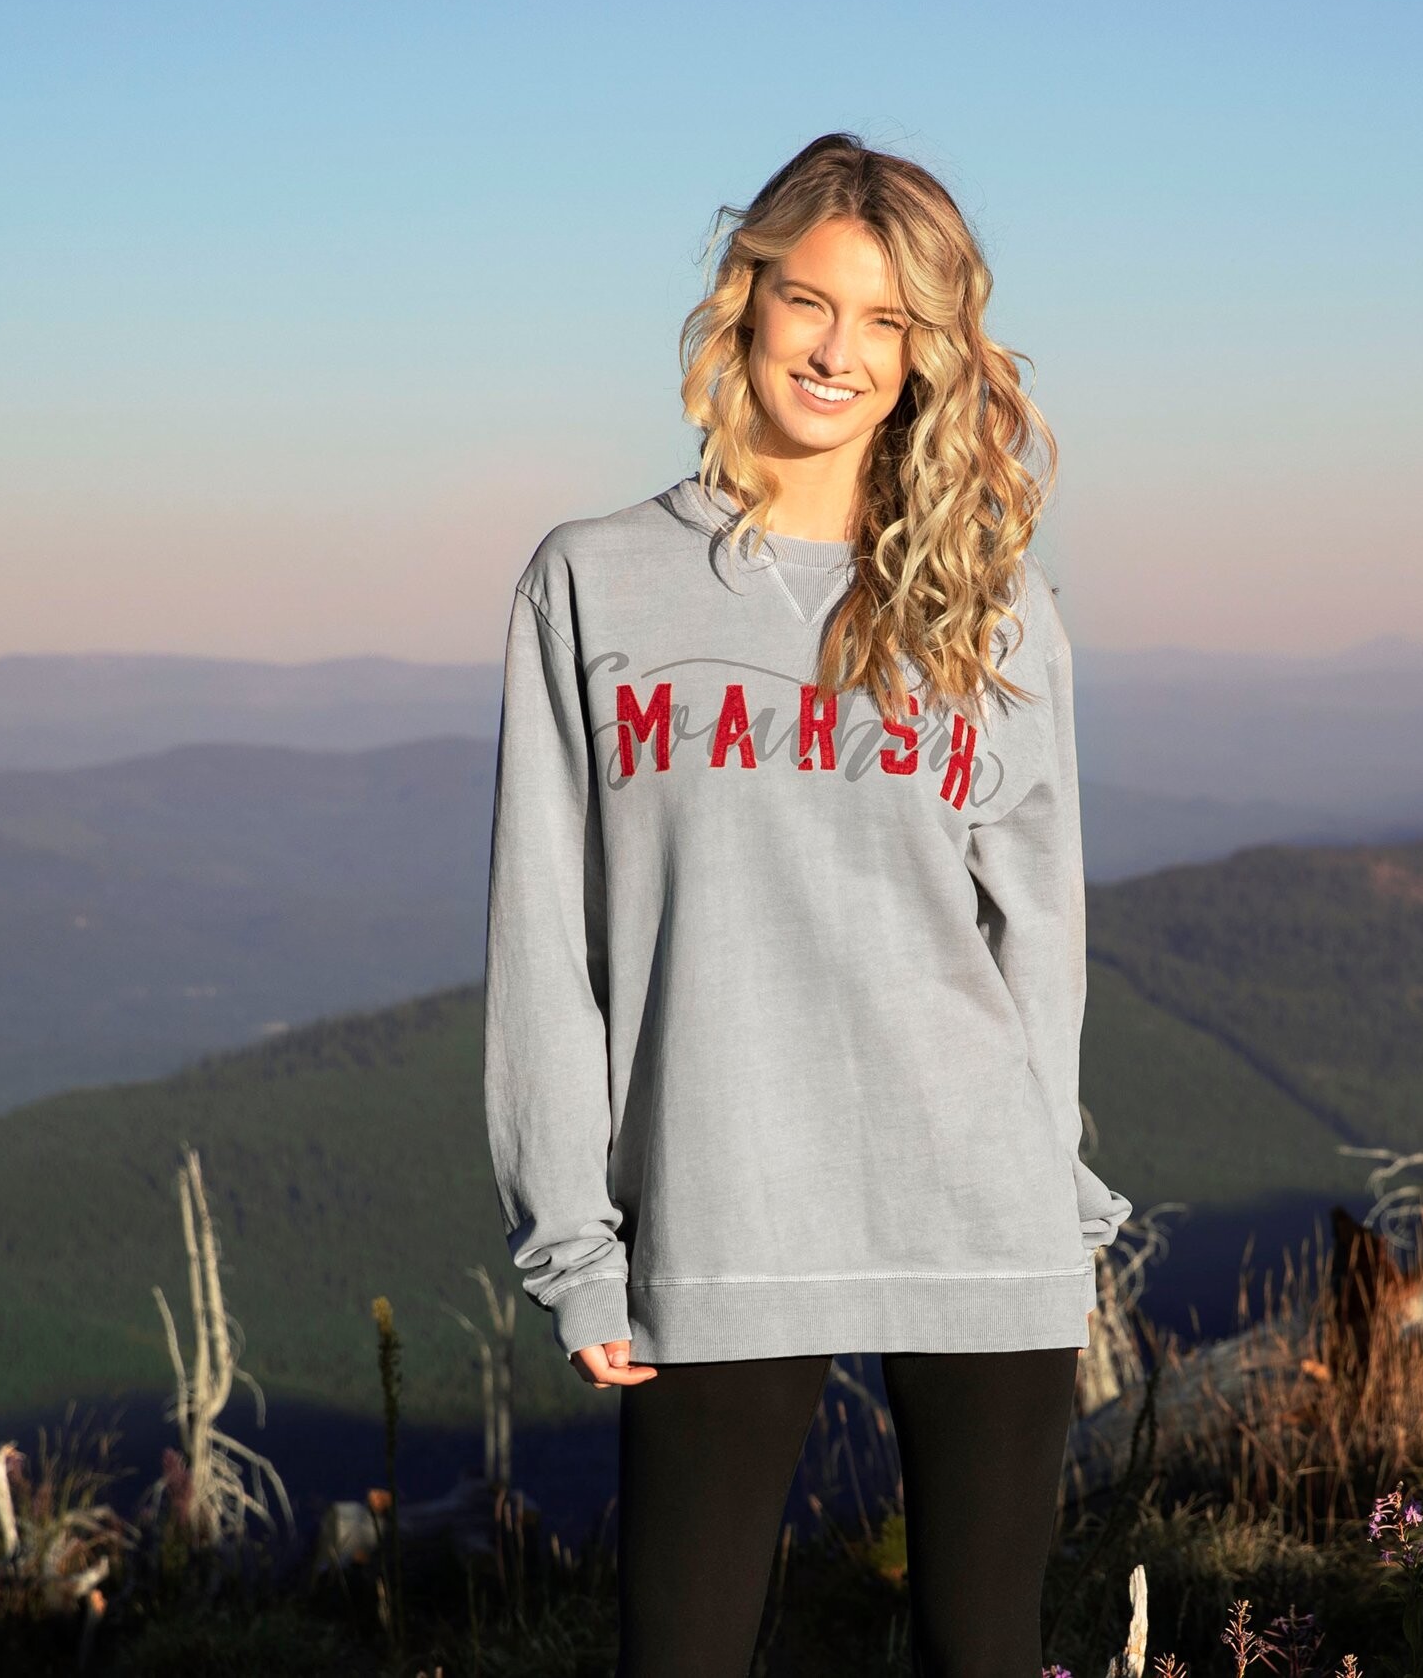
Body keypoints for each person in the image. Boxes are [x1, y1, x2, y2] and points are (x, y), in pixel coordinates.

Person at [483, 130, 1132, 1678]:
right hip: (722, 1205)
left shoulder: (994, 603)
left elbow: (1039, 938)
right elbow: (543, 945)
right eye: (812, 303)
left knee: (985, 1651)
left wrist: (1056, 1194)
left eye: (889, 321)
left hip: (980, 1206)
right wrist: (574, 1240)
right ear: (747, 297)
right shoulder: (593, 580)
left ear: (925, 356)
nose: (840, 352)